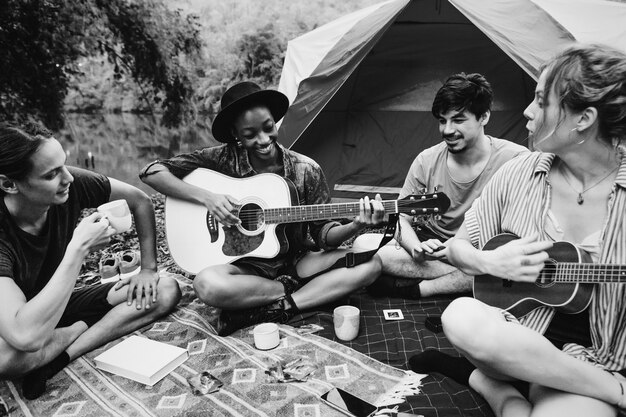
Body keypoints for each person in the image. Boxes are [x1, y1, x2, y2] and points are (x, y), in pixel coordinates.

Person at [410, 44, 626, 416]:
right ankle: (612, 391)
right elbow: (460, 247)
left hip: (600, 354)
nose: (527, 110)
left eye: (541, 101)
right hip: (518, 339)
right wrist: (489, 261)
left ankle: (499, 391)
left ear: (584, 118)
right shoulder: (518, 173)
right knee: (459, 315)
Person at [140, 81, 385, 336]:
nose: (263, 139)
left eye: (269, 128)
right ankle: (300, 293)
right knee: (206, 284)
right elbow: (151, 173)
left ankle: (279, 307)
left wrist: (357, 225)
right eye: (250, 134)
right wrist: (208, 198)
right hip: (245, 267)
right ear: (235, 134)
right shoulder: (222, 158)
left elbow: (324, 236)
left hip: (297, 262)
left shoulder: (306, 170)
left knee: (372, 264)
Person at [0, 123, 181, 399]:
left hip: (57, 305)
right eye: (51, 174)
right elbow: (25, 336)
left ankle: (60, 357)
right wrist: (78, 248)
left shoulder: (71, 184)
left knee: (164, 291)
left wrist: (148, 269)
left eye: (64, 165)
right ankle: (79, 329)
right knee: (7, 358)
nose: (68, 178)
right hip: (18, 322)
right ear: (9, 184)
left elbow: (141, 201)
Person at [353, 73, 527, 299]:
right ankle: (463, 281)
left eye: (458, 120)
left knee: (500, 264)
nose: (447, 130)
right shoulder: (427, 160)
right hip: (431, 249)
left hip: (479, 251)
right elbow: (400, 217)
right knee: (362, 245)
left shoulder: (516, 160)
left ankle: (420, 289)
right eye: (442, 120)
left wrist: (465, 254)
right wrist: (416, 249)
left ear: (483, 117)